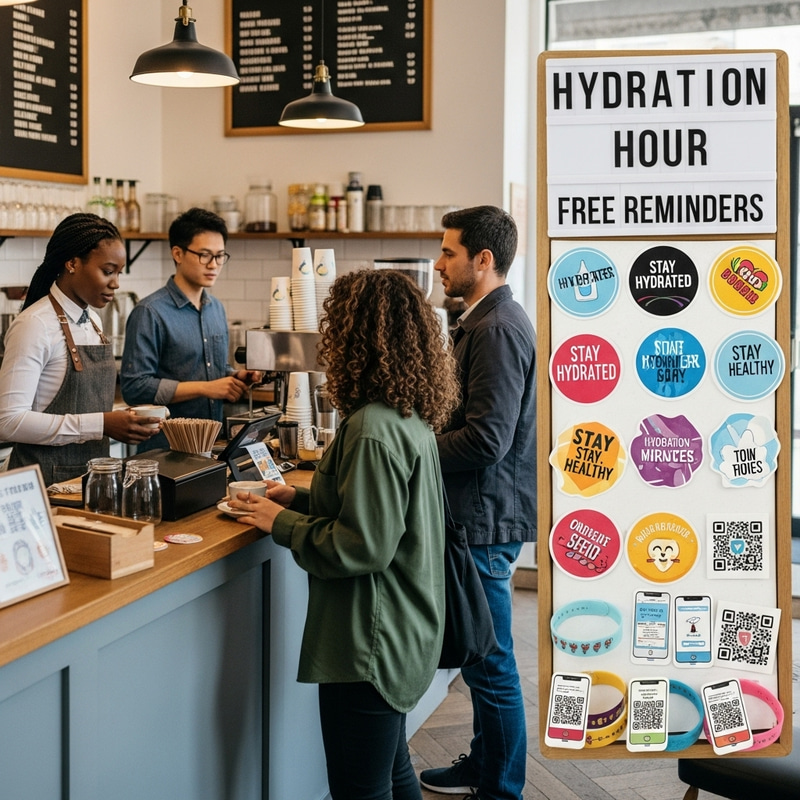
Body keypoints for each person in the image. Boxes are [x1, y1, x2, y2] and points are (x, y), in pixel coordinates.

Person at [227, 269, 460, 800]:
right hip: (405, 631)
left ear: (353, 337)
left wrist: (278, 523)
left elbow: (364, 546)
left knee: (360, 790)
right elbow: (382, 512)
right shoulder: (405, 416)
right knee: (393, 772)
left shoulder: (371, 429)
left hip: (370, 643)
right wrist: (300, 498)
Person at [420, 206, 537, 800]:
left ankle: (501, 789)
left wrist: (414, 447)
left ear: (482, 260)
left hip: (486, 519)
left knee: (490, 666)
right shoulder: (483, 321)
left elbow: (488, 439)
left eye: (448, 252)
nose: (439, 264)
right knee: (483, 659)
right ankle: (485, 768)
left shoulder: (495, 329)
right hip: (484, 513)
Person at [0, 213, 160, 485]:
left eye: (119, 273)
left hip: (92, 481)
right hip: (43, 486)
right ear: (72, 263)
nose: (116, 283)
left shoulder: (94, 322)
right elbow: (8, 422)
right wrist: (102, 424)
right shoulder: (34, 325)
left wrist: (121, 420)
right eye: (108, 271)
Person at [120, 207, 260, 451]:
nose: (214, 265)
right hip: (164, 452)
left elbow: (208, 369)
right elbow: (135, 388)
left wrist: (233, 376)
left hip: (210, 445)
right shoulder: (150, 312)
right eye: (204, 255)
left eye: (220, 256)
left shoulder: (216, 308)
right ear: (178, 253)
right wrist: (207, 388)